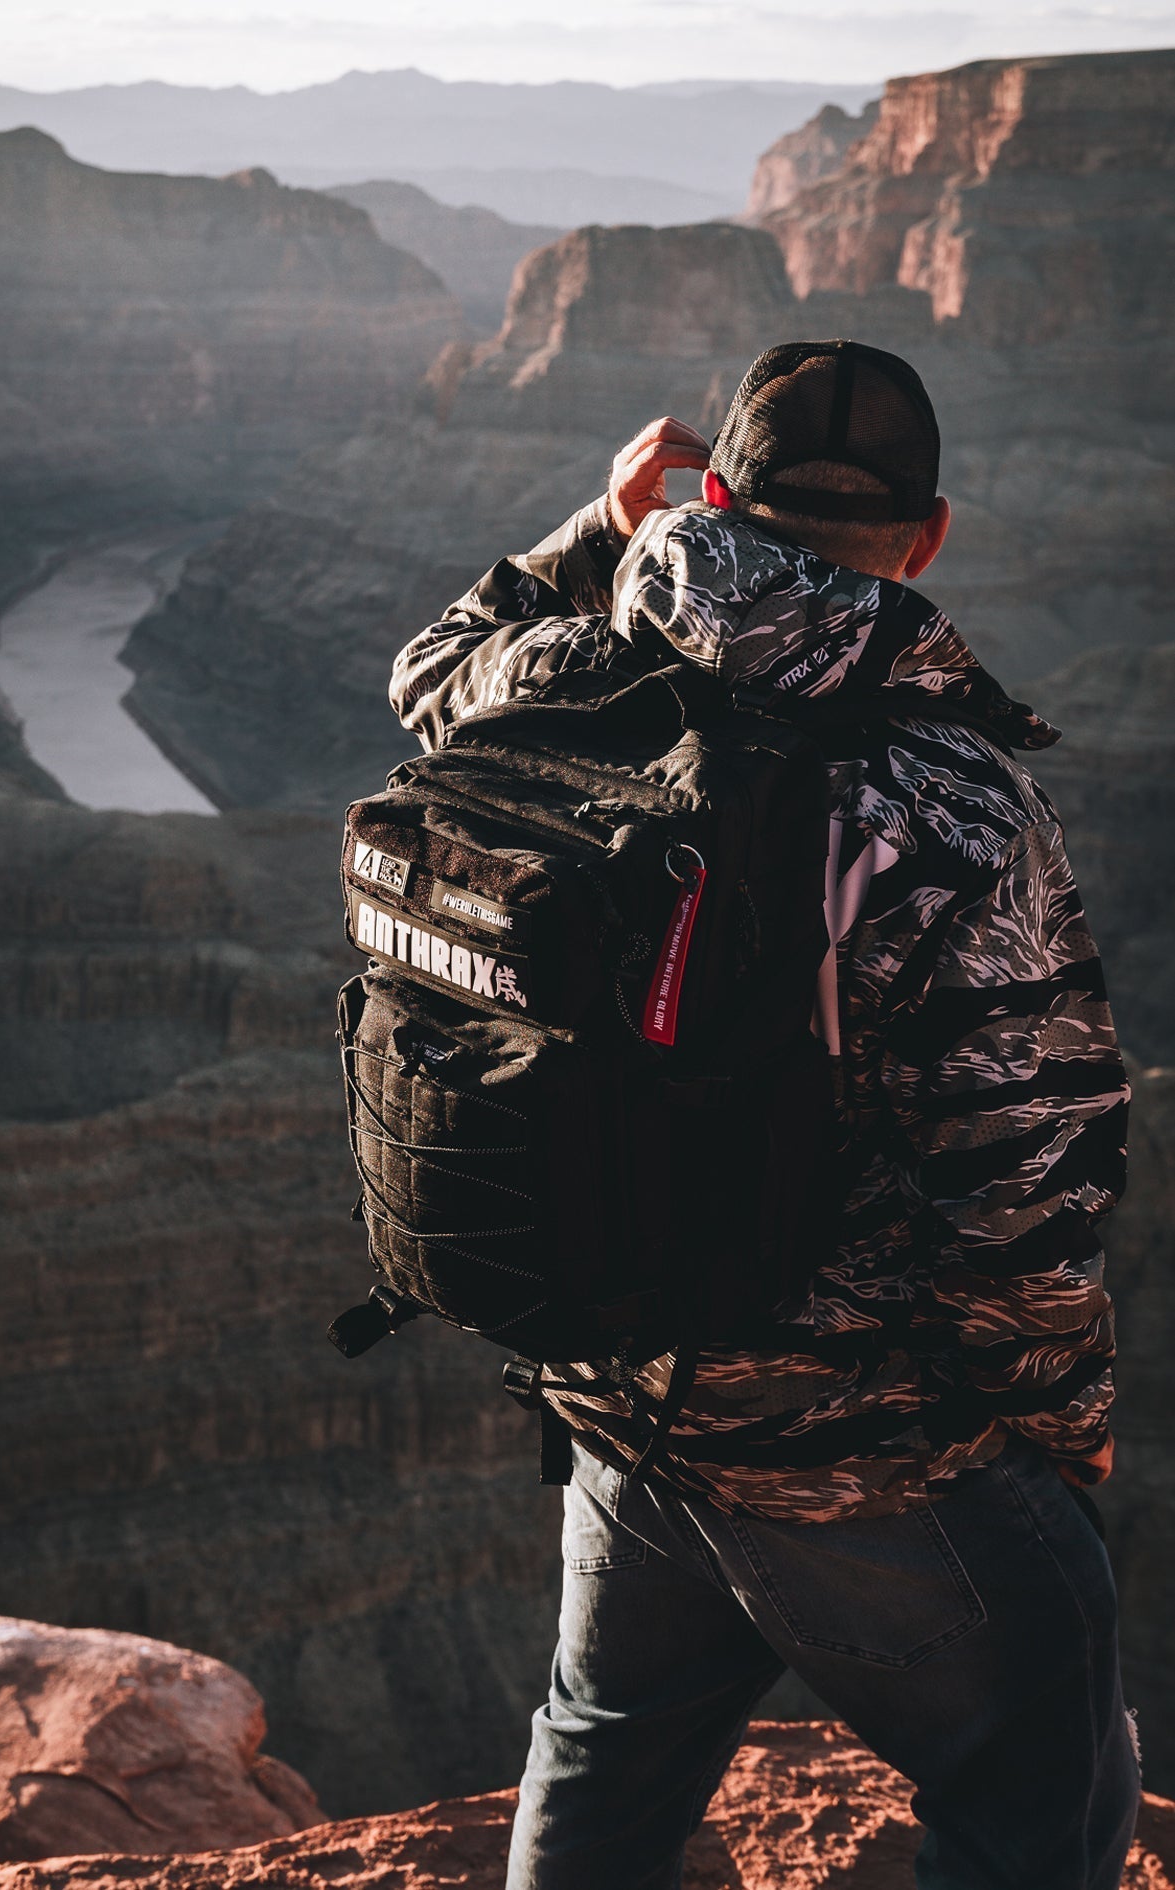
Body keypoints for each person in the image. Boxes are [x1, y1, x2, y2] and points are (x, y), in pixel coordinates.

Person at [388, 341, 1139, 1890]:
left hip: (617, 1370)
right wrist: (1056, 1429)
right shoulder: (948, 795)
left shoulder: (561, 674)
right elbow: (1024, 1174)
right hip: (855, 1436)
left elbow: (426, 664)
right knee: (1042, 1794)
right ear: (925, 539)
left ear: (714, 491)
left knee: (599, 1758)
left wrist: (599, 534)